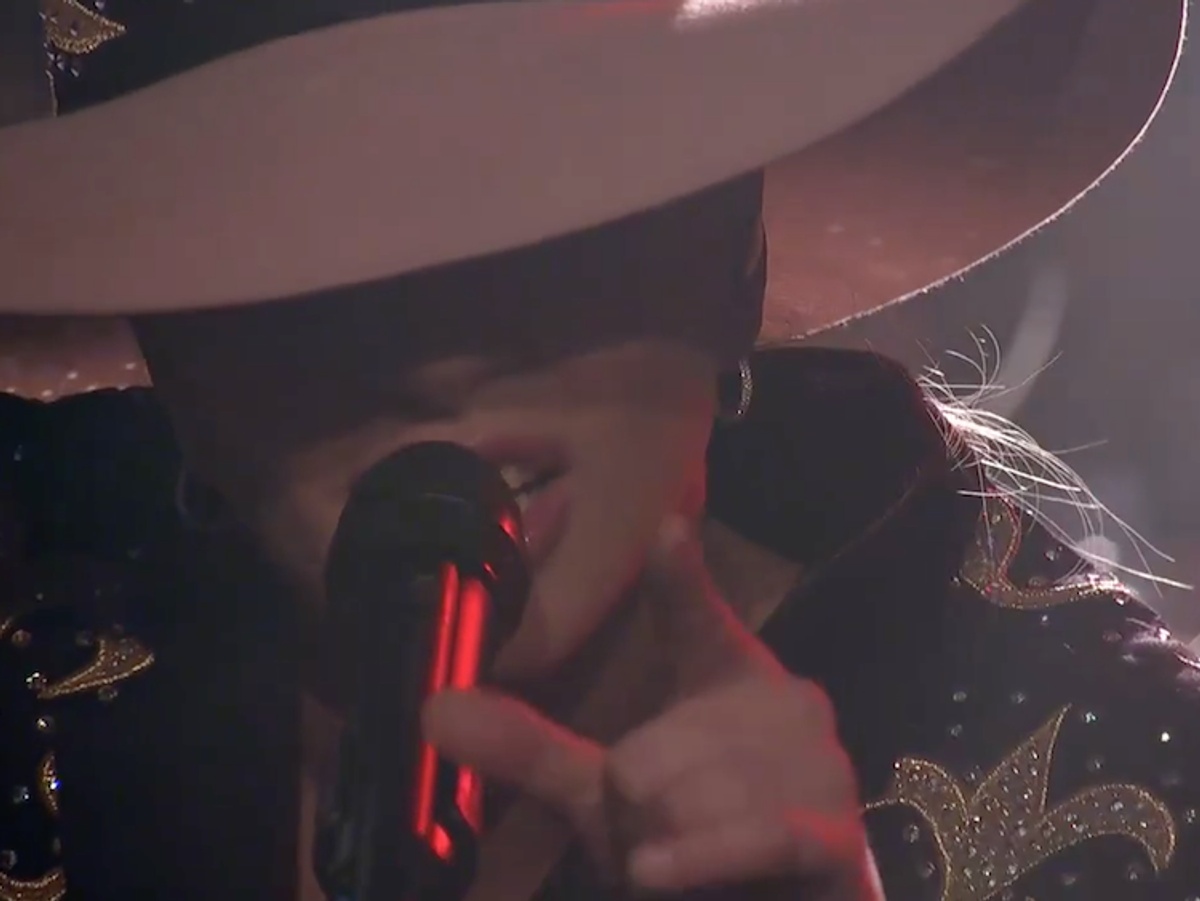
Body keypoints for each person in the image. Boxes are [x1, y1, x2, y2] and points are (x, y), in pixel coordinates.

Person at [0, 0, 1194, 900]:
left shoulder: (1129, 781)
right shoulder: (38, 702)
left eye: (537, 208)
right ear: (169, 350)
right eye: (302, 258)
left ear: (733, 255)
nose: (438, 347)